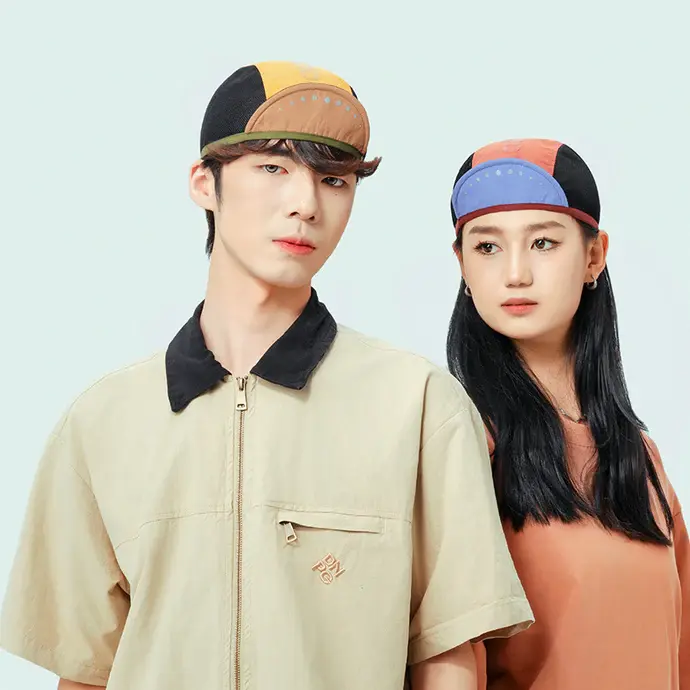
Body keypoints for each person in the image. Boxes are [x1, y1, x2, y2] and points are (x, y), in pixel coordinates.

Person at [0, 63, 533, 690]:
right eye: (274, 168)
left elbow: (448, 655)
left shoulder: (418, 406)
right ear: (205, 183)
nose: (306, 204)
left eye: (333, 180)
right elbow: (86, 671)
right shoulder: (102, 422)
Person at [446, 138, 689, 689]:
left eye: (542, 243)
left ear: (593, 256)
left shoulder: (640, 457)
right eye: (487, 247)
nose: (515, 273)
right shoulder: (460, 443)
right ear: (462, 265)